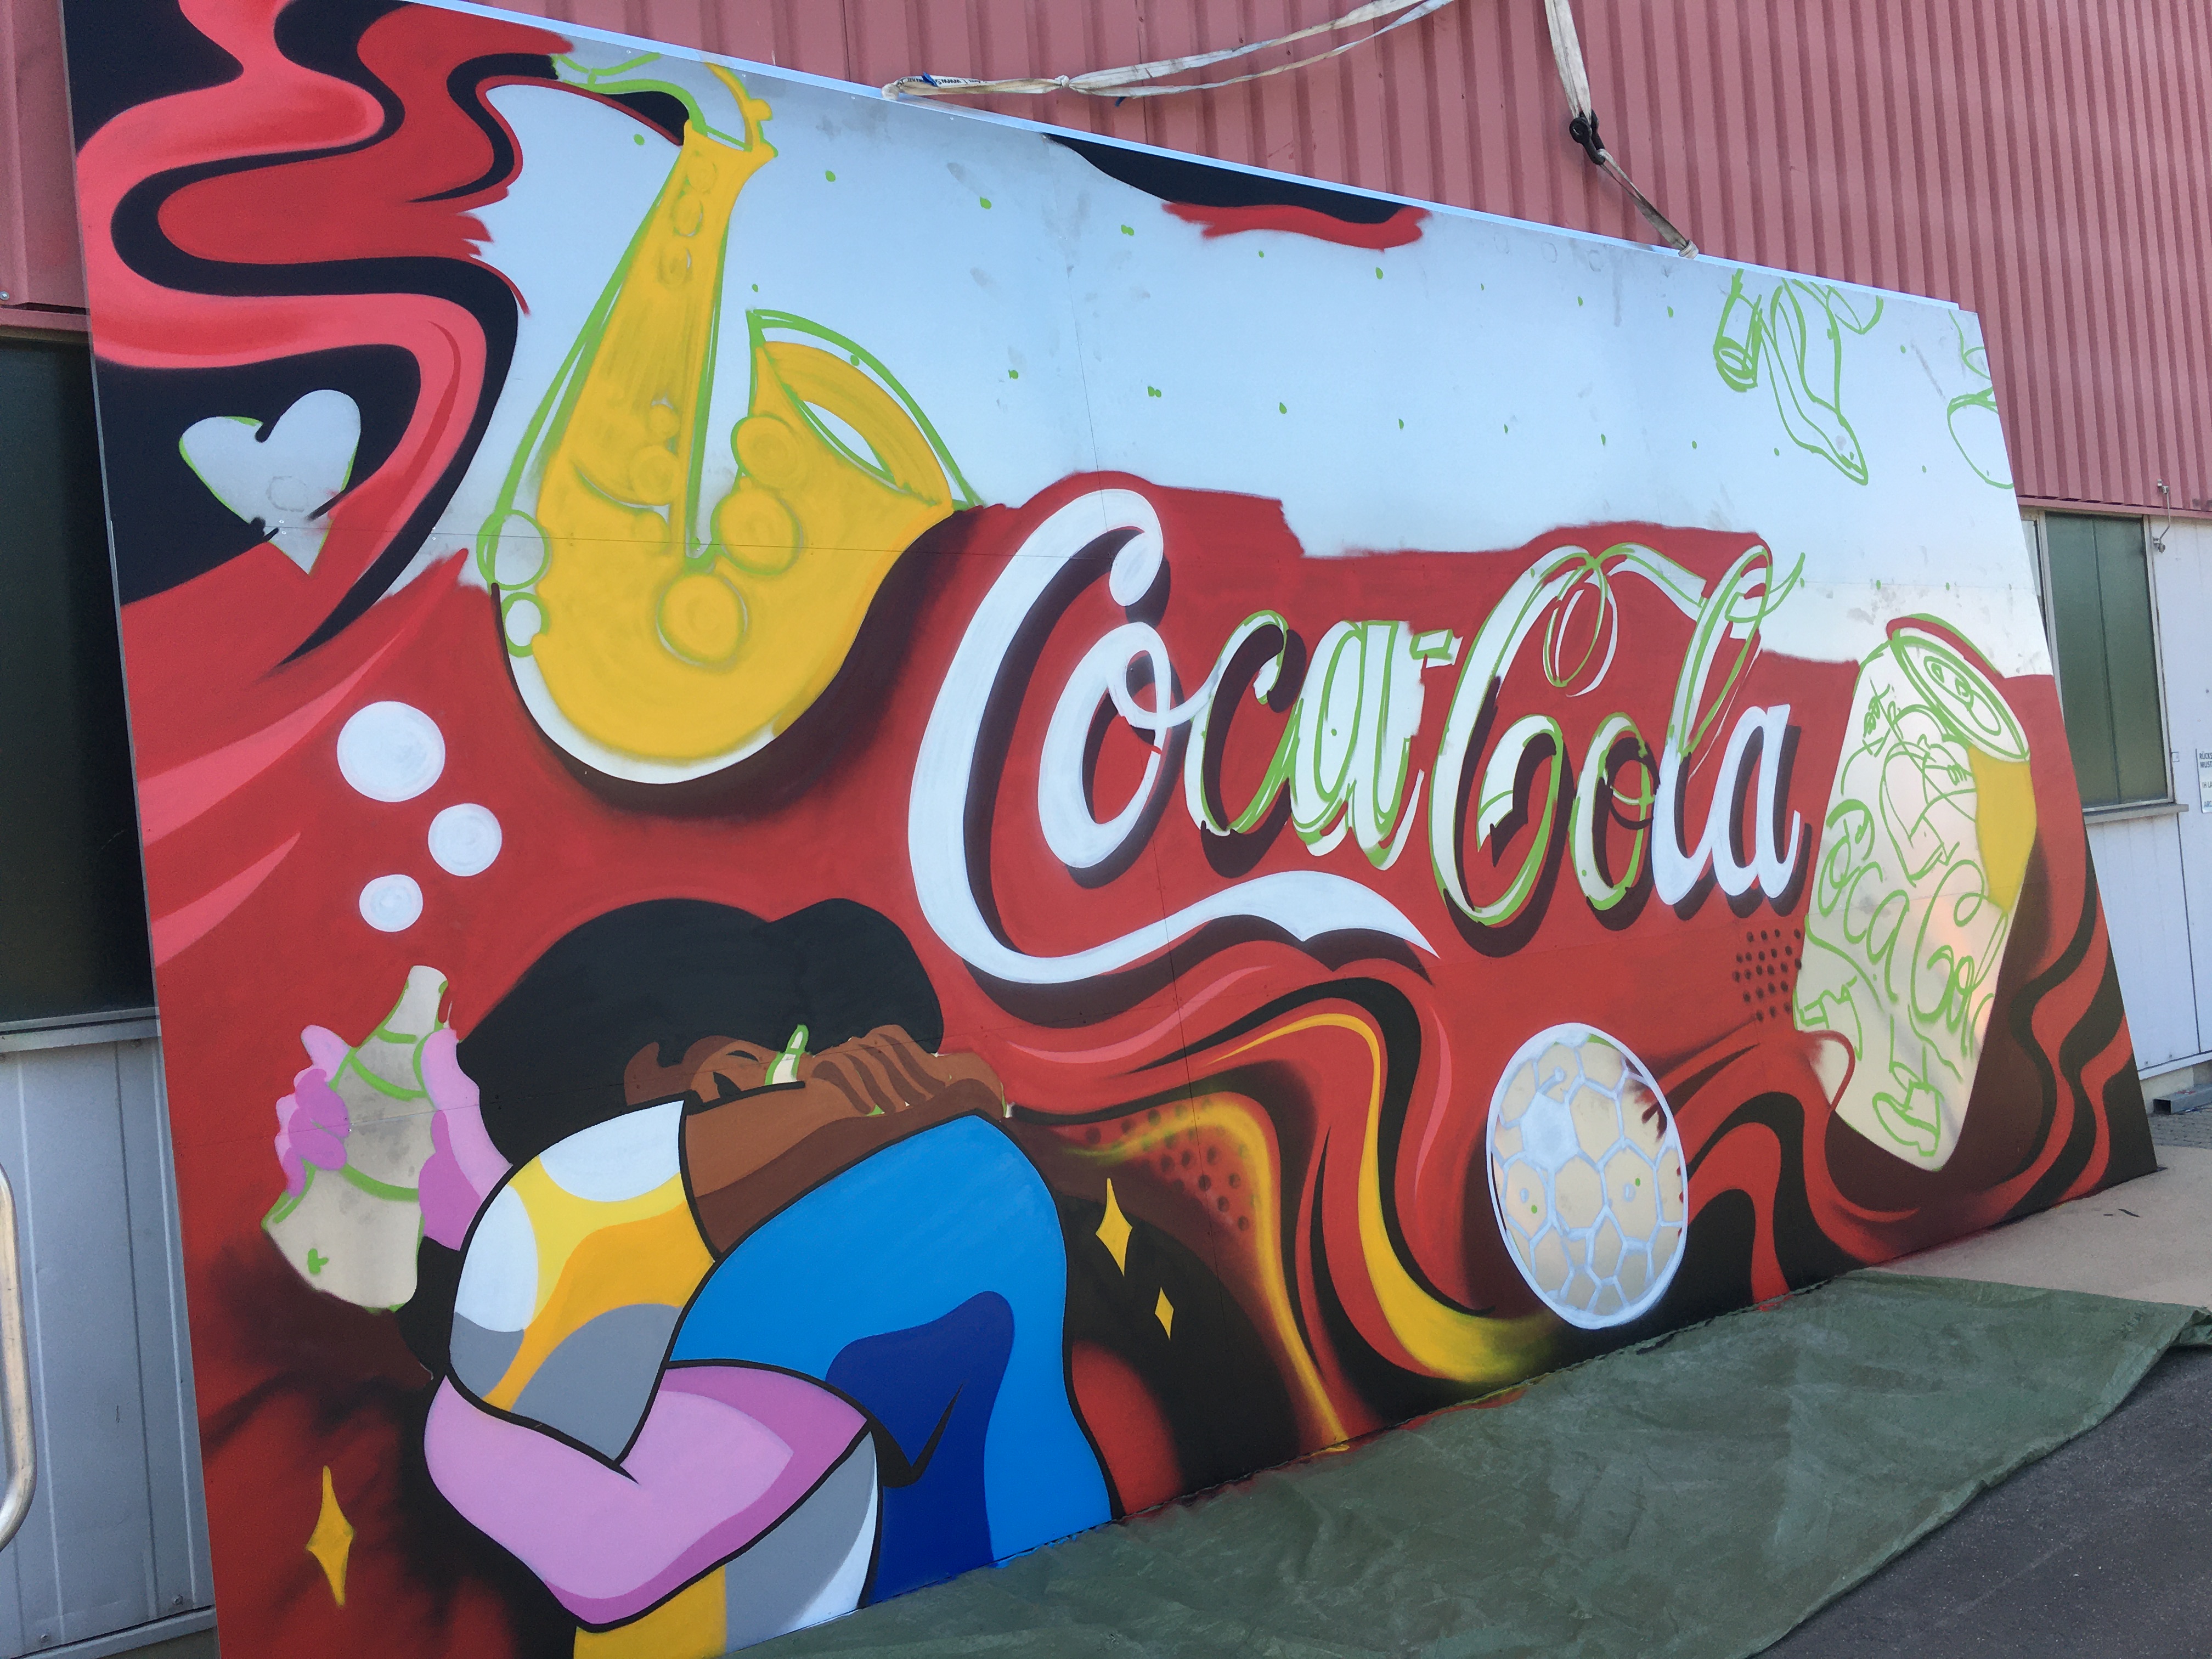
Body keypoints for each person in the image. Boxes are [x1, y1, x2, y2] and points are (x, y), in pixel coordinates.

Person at [274, 898, 1108, 1655]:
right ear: (660, 1071)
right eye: (757, 1071)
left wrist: (886, 1094)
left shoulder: (829, 1245)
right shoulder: (550, 1252)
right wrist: (858, 1094)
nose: (780, 1098)